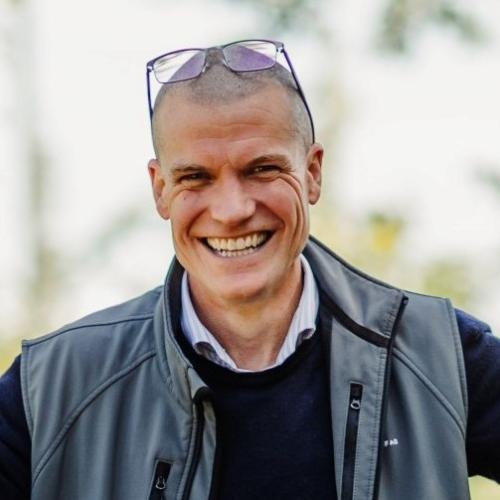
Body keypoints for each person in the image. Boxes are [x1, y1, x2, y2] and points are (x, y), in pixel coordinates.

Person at [0, 39, 499, 500]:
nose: (232, 209)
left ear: (312, 173)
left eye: (261, 169)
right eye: (195, 177)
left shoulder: (440, 357)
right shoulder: (52, 389)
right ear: (160, 189)